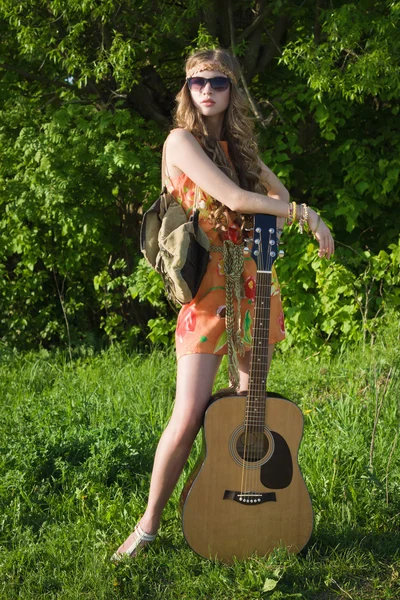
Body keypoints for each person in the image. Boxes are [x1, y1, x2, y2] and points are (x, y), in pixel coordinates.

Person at [112, 48, 334, 560]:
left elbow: (272, 194)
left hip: (253, 290)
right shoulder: (180, 142)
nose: (206, 90)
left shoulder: (236, 149)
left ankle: (230, 511)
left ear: (232, 90)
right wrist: (307, 214)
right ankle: (148, 526)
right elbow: (238, 201)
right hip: (208, 295)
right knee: (189, 416)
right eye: (195, 83)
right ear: (185, 91)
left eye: (216, 82)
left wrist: (287, 207)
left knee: (245, 410)